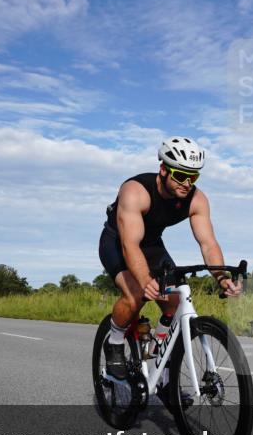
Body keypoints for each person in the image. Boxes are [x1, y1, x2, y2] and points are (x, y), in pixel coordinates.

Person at [98, 137, 241, 379]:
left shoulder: (196, 199)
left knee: (174, 302)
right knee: (135, 295)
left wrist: (221, 276)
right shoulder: (135, 191)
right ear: (163, 170)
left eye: (193, 177)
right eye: (180, 175)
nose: (187, 183)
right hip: (117, 242)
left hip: (152, 246)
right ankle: (114, 341)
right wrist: (144, 279)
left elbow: (208, 243)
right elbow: (130, 244)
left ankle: (160, 367)